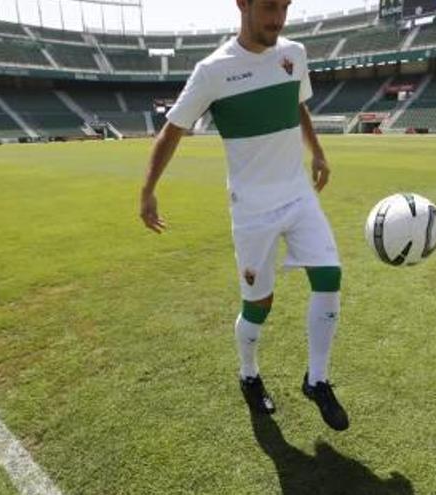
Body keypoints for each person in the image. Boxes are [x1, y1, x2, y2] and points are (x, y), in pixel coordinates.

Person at [139, 0, 348, 431]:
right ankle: (249, 374)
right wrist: (148, 190)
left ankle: (317, 379)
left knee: (329, 276)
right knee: (259, 304)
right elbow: (173, 130)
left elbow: (297, 104)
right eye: (269, 7)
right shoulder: (213, 71)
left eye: (284, 7)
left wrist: (319, 153)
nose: (277, 18)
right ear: (243, 4)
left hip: (298, 196)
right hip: (252, 210)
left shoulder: (295, 54)